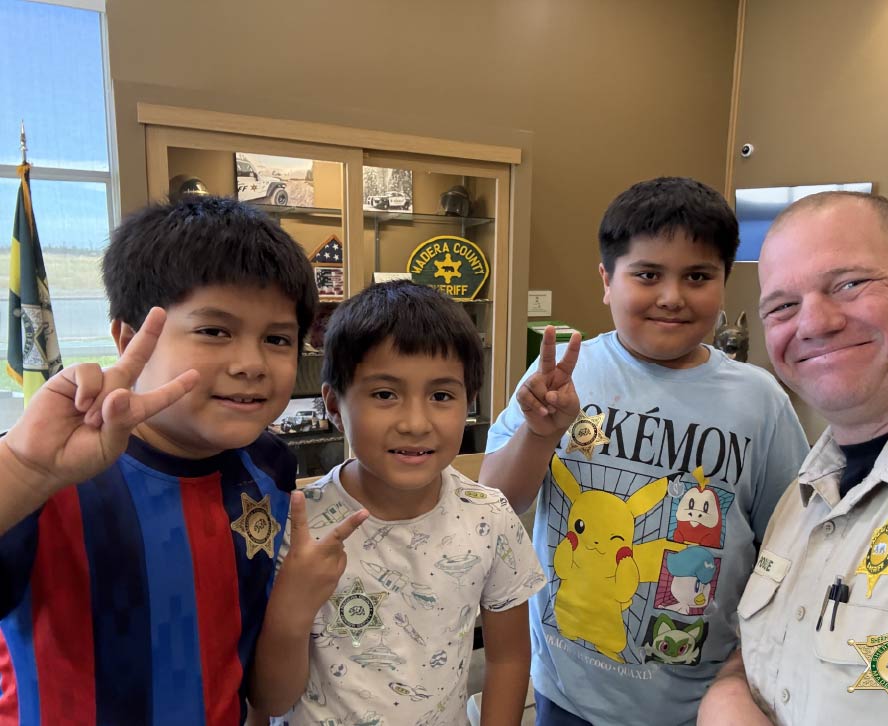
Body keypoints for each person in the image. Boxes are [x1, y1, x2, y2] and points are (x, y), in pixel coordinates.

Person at [480, 177, 809, 725]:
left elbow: (791, 545)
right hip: (568, 691)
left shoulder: (761, 401)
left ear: (725, 283)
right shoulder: (565, 374)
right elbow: (494, 501)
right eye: (648, 274)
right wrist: (539, 432)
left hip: (700, 700)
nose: (672, 296)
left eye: (698, 276)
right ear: (607, 280)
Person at [0, 195, 319, 724]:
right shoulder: (49, 478)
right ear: (129, 340)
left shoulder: (270, 466)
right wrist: (23, 470)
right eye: (214, 331)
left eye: (277, 339)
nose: (251, 364)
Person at [698, 192, 888, 725]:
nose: (814, 323)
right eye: (782, 306)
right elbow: (778, 649)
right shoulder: (815, 484)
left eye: (849, 284)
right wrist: (727, 695)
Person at [250, 280, 546, 726]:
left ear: (470, 401)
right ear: (333, 403)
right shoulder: (296, 525)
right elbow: (269, 701)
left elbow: (507, 659)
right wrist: (292, 609)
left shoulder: (490, 517)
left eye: (442, 396)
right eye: (385, 394)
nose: (415, 423)